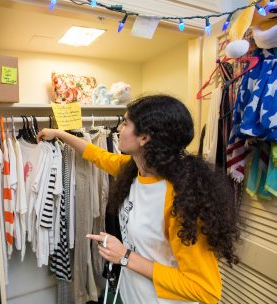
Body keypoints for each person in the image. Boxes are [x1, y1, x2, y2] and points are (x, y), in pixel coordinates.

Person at [37, 94, 240, 304]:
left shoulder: (179, 199)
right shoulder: (134, 170)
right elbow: (95, 154)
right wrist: (59, 133)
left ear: (144, 138)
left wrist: (125, 256)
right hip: (133, 295)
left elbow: (206, 290)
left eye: (125, 123)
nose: (118, 129)